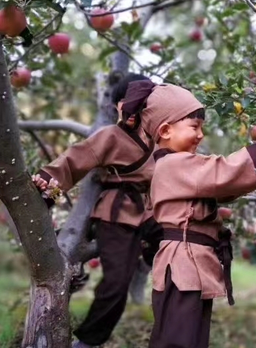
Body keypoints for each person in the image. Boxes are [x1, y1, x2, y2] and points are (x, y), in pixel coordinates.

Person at [119, 81, 256, 348]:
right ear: (165, 130)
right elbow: (221, 172)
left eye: (201, 128)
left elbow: (221, 188)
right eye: (194, 127)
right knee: (179, 339)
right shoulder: (175, 164)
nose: (200, 135)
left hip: (190, 265)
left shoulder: (177, 166)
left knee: (185, 336)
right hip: (182, 266)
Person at [32, 73, 163, 348]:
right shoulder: (110, 136)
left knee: (182, 246)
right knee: (116, 285)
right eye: (124, 102)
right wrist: (47, 183)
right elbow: (75, 159)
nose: (131, 109)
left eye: (140, 103)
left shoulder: (158, 137)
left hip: (152, 212)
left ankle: (175, 316)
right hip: (117, 215)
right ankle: (89, 342)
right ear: (117, 105)